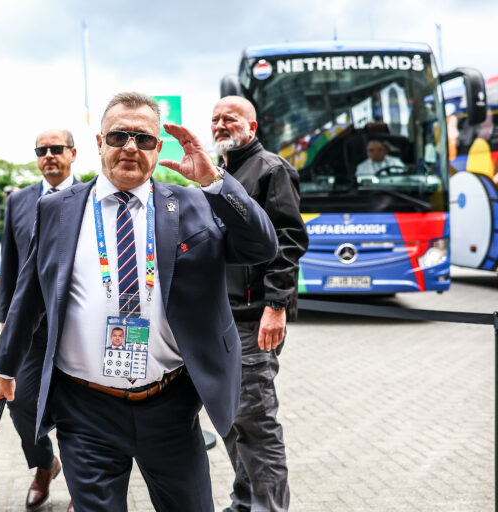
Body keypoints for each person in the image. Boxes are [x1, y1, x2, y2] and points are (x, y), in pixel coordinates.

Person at [0, 92, 278, 512]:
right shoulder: (56, 210)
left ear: (159, 148)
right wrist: (4, 368)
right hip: (83, 408)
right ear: (98, 142)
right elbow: (29, 294)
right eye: (119, 136)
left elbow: (262, 246)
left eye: (143, 139)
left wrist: (213, 181)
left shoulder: (194, 203)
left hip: (170, 404)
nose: (130, 147)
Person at [212, 96, 309, 512]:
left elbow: (290, 239)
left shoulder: (271, 169)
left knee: (255, 423)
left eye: (229, 118)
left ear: (251, 126)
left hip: (255, 317)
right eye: (214, 119)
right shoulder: (220, 173)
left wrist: (276, 304)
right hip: (223, 316)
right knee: (233, 422)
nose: (220, 124)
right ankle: (244, 500)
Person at [0, 128, 78, 511]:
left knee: (81, 409)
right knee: (21, 402)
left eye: (56, 149)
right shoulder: (19, 202)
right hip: (32, 327)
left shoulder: (95, 195)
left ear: (73, 153)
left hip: (81, 326)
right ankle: (45, 463)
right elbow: (11, 266)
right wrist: (5, 322)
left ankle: (84, 489)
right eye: (41, 150)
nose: (49, 155)